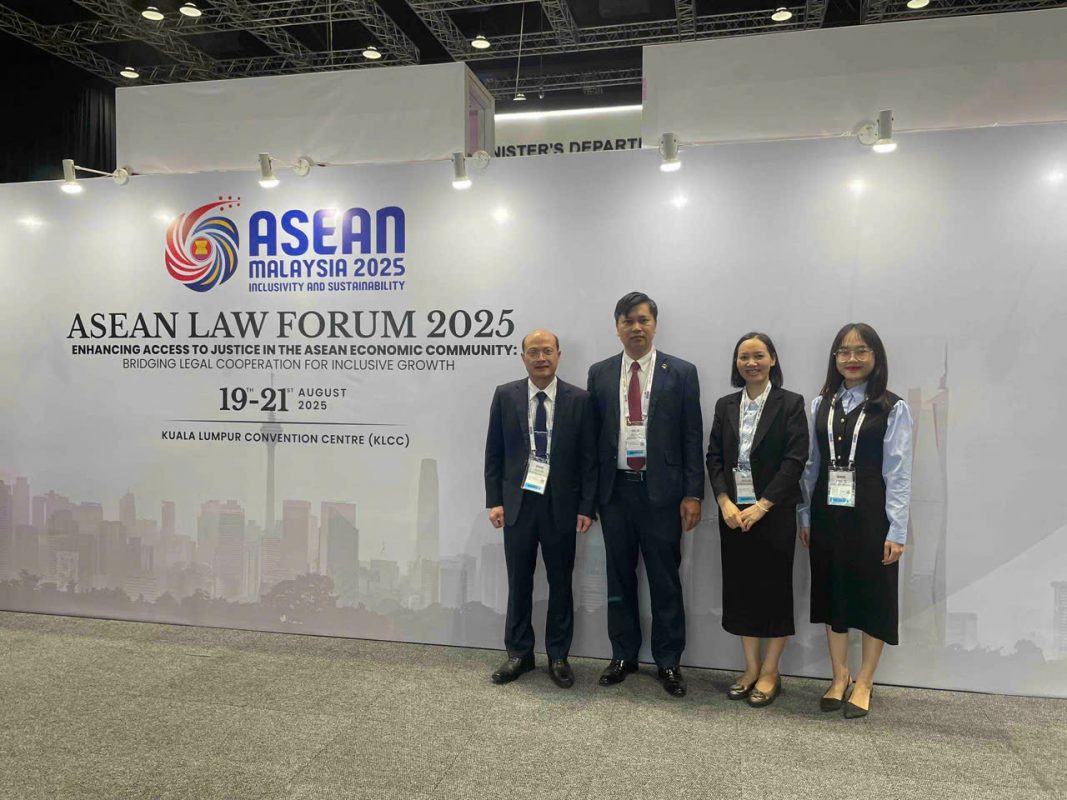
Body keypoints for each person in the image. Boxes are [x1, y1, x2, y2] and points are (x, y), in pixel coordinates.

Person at [586, 292, 704, 697]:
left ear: (654, 324)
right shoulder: (600, 373)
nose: (636, 327)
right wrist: (591, 497)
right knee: (618, 577)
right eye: (627, 321)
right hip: (615, 492)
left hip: (662, 494)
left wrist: (693, 493)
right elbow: (593, 440)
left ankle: (669, 661)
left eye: (643, 320)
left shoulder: (681, 372)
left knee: (664, 580)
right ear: (617, 327)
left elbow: (692, 435)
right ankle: (623, 655)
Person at [798, 322, 913, 718]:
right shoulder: (821, 404)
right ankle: (839, 676)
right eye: (844, 351)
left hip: (871, 514)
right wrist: (804, 514)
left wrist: (897, 529)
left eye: (861, 350)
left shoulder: (892, 407)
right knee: (832, 592)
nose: (852, 358)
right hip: (827, 512)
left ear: (875, 357)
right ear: (835, 358)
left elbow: (898, 472)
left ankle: (864, 681)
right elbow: (811, 465)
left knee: (873, 595)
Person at [484, 329, 597, 688]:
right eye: (533, 352)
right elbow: (494, 452)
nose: (541, 358)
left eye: (547, 351)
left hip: (561, 504)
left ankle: (558, 656)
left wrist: (587, 507)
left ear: (559, 355)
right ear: (523, 357)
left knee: (560, 582)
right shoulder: (506, 395)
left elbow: (589, 459)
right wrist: (494, 500)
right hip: (518, 504)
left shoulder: (580, 399)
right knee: (519, 581)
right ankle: (519, 654)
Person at [706, 332, 808, 708]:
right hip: (734, 515)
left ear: (773, 360)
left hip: (773, 514)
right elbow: (714, 457)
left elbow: (795, 460)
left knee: (774, 592)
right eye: (744, 357)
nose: (751, 363)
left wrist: (763, 505)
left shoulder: (790, 403)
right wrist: (724, 502)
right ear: (736, 363)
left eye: (759, 355)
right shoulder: (725, 405)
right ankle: (750, 668)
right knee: (742, 591)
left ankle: (770, 671)